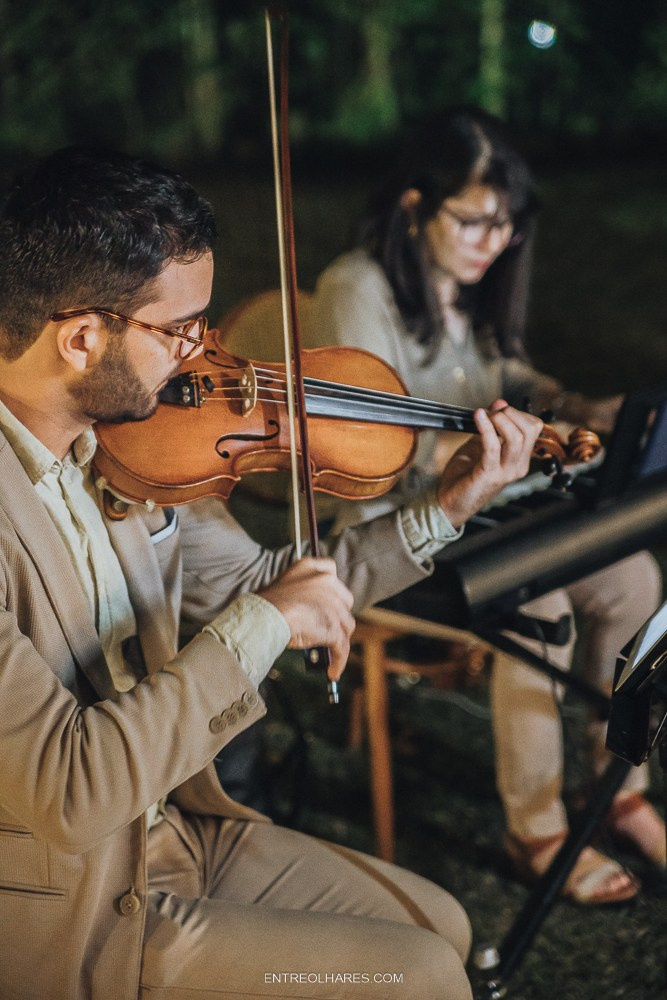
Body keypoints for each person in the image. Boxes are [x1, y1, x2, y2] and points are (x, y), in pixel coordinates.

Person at [0, 145, 543, 1000]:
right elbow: (70, 792)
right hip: (77, 904)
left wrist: (447, 504)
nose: (201, 355)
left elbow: (277, 580)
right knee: (424, 977)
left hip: (178, 828)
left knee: (443, 923)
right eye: (181, 330)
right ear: (80, 338)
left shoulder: (126, 452)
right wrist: (262, 626)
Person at [311, 106, 665, 905]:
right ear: (413, 205)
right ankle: (533, 828)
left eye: (505, 225)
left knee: (634, 578)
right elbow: (360, 449)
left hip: (479, 511)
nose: (493, 242)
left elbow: (512, 379)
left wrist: (579, 408)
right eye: (473, 221)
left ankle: (614, 791)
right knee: (533, 597)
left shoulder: (462, 290)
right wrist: (483, 452)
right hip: (389, 535)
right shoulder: (355, 288)